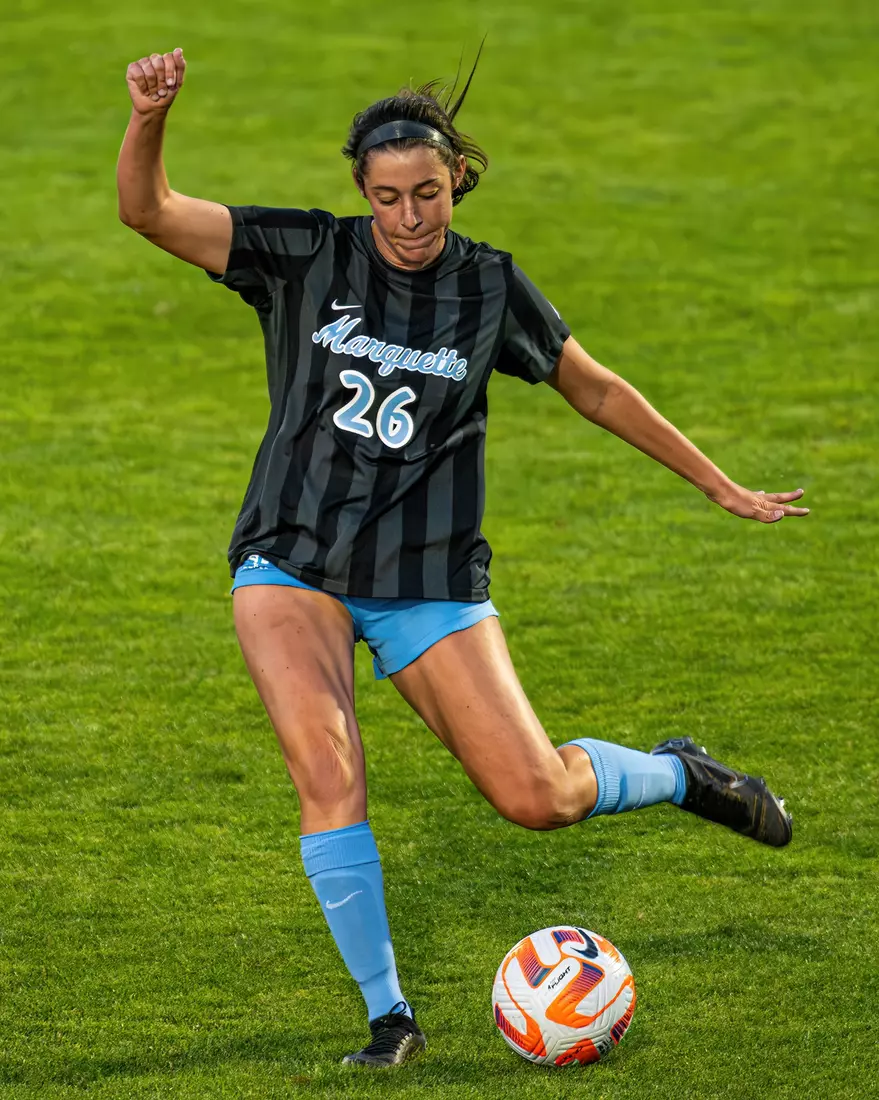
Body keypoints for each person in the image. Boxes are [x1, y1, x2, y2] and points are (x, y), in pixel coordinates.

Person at [117, 47, 809, 1068]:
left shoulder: (488, 286)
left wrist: (715, 482)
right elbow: (151, 210)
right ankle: (389, 1017)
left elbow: (597, 389)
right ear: (362, 193)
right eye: (389, 197)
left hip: (427, 577)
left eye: (428, 194)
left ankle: (678, 773)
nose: (409, 217)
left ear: (456, 182)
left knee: (540, 797)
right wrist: (150, 118)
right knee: (329, 772)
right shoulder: (306, 253)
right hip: (291, 561)